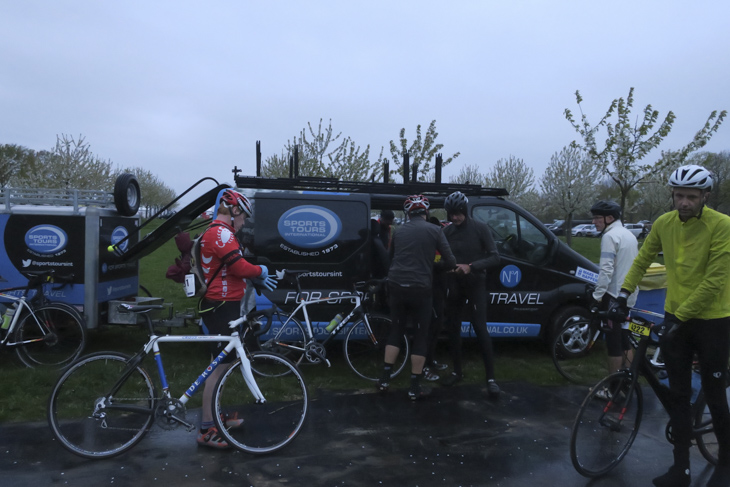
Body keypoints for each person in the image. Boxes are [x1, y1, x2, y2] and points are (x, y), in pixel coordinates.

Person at [611, 165, 730, 487]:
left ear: (705, 196)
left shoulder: (722, 225)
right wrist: (623, 294)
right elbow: (643, 258)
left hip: (712, 320)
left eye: (692, 197)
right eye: (679, 196)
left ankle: (726, 464)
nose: (684, 203)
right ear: (672, 195)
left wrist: (680, 316)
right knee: (677, 395)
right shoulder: (664, 223)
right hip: (676, 317)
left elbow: (716, 278)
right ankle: (682, 469)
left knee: (715, 394)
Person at [196, 189, 277, 449]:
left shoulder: (220, 232)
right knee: (217, 368)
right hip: (221, 306)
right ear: (234, 210)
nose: (243, 223)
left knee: (218, 366)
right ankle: (208, 428)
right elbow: (238, 267)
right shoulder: (220, 232)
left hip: (222, 305)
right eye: (243, 217)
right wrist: (260, 270)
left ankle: (213, 417)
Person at [378, 195, 456, 400]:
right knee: (421, 334)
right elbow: (451, 261)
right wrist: (433, 267)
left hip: (396, 286)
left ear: (408, 213)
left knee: (396, 330)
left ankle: (385, 378)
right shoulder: (435, 230)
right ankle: (414, 386)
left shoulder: (398, 230)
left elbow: (390, 257)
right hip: (421, 288)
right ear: (426, 212)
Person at [440, 191, 501, 399]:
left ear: (465, 211)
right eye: (451, 214)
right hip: (455, 285)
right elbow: (440, 260)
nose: (454, 218)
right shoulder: (447, 233)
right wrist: (446, 268)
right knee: (453, 328)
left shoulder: (480, 229)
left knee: (480, 327)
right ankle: (457, 371)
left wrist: (471, 266)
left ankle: (491, 379)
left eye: (458, 214)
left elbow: (495, 257)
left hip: (475, 284)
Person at [589, 200, 639, 382]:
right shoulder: (629, 235)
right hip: (629, 294)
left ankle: (612, 387)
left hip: (613, 296)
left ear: (609, 218)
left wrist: (597, 296)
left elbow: (606, 271)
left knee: (613, 344)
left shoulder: (609, 237)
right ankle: (627, 382)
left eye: (596, 218)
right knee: (625, 339)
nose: (594, 222)